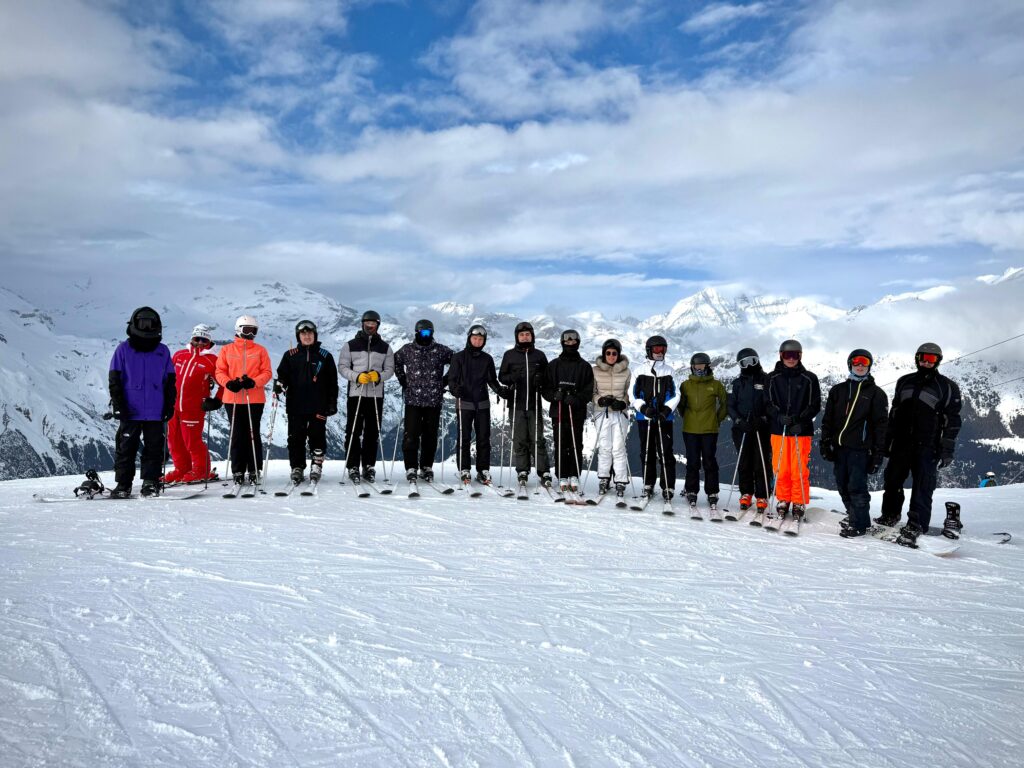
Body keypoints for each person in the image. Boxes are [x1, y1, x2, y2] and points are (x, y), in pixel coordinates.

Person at [878, 342, 962, 544]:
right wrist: (887, 441)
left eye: (931, 359)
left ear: (938, 361)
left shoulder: (947, 387)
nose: (926, 362)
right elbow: (894, 413)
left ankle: (917, 524)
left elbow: (952, 420)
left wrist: (947, 448)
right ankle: (890, 515)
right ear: (916, 359)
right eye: (922, 358)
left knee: (923, 486)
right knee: (892, 481)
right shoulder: (904, 381)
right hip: (901, 442)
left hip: (928, 445)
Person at [108, 307, 176, 498]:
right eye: (142, 323)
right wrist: (118, 405)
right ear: (134, 324)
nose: (146, 327)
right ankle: (123, 485)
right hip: (130, 410)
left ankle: (150, 482)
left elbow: (170, 381)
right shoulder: (123, 349)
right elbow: (115, 380)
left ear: (157, 326)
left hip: (155, 410)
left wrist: (169, 405)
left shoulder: (163, 351)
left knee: (154, 448)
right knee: (126, 448)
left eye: (150, 324)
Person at [819, 349, 888, 538]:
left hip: (861, 450)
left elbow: (881, 426)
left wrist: (877, 454)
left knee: (856, 487)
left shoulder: (876, 394)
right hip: (839, 448)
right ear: (850, 364)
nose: (860, 365)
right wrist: (825, 442)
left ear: (869, 366)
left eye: (864, 362)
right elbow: (828, 420)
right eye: (856, 361)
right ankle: (853, 514)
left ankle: (860, 524)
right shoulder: (838, 390)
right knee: (842, 484)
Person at [275, 319, 339, 485]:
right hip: (295, 404)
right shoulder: (290, 355)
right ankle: (297, 467)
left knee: (317, 437)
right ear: (298, 336)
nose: (307, 336)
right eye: (303, 334)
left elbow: (333, 382)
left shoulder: (325, 356)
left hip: (319, 404)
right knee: (295, 438)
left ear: (315, 335)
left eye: (310, 333)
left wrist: (332, 403)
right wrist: (280, 385)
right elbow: (282, 376)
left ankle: (316, 465)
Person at [765, 339, 821, 523]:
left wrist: (801, 421)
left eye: (795, 355)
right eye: (787, 355)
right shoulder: (772, 378)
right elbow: (767, 402)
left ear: (800, 356)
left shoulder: (809, 378)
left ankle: (798, 501)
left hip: (801, 431)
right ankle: (783, 498)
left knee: (798, 468)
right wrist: (778, 416)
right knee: (780, 468)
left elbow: (814, 405)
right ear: (781, 355)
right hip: (778, 430)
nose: (791, 359)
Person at [337, 310, 395, 483]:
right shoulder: (350, 345)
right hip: (356, 393)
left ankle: (368, 465)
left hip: (376, 395)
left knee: (372, 432)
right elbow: (342, 367)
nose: (370, 326)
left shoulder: (385, 347)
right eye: (367, 323)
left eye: (373, 324)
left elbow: (390, 370)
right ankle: (353, 466)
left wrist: (379, 376)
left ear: (378, 325)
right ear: (362, 324)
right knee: (353, 431)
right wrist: (356, 376)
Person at [215, 315, 273, 486]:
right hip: (232, 398)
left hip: (254, 398)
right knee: (237, 435)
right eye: (247, 330)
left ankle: (254, 468)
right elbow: (219, 371)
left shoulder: (260, 350)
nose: (251, 334)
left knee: (252, 433)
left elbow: (267, 372)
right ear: (238, 329)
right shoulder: (227, 350)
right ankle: (238, 470)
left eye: (254, 331)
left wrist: (254, 382)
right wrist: (228, 383)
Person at [447, 324, 508, 483]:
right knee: (464, 438)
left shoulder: (487, 359)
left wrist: (500, 390)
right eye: (475, 338)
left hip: (482, 403)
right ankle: (464, 469)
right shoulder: (458, 357)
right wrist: (455, 390)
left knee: (483, 438)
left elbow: (491, 380)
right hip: (464, 402)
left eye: (481, 339)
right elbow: (451, 379)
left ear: (484, 341)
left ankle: (483, 470)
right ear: (469, 339)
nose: (478, 341)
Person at [395, 318, 453, 483]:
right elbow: (395, 361)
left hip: (433, 400)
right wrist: (403, 380)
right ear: (417, 332)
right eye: (423, 332)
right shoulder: (407, 350)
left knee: (430, 436)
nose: (426, 335)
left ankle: (426, 467)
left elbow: (457, 362)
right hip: (413, 400)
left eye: (429, 332)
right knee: (411, 435)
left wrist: (445, 381)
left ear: (432, 333)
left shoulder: (441, 350)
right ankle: (411, 467)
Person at [163, 324, 221, 485]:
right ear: (192, 338)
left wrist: (217, 400)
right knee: (174, 441)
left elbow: (223, 383)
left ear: (209, 342)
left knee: (192, 441)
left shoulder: (211, 360)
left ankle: (201, 470)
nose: (200, 343)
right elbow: (168, 377)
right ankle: (182, 468)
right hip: (174, 406)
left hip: (194, 407)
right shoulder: (179, 355)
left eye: (204, 340)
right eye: (197, 339)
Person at [498, 321, 552, 487]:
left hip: (534, 404)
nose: (525, 337)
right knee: (519, 439)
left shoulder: (539, 356)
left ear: (532, 336)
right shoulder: (509, 355)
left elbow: (548, 377)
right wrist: (511, 378)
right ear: (517, 337)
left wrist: (541, 379)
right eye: (521, 335)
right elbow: (501, 377)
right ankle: (522, 470)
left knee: (537, 439)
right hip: (516, 404)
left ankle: (543, 471)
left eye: (527, 334)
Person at [631, 335, 680, 500]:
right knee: (647, 451)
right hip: (644, 418)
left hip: (664, 419)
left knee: (666, 452)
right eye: (657, 349)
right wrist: (643, 408)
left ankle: (668, 486)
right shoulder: (639, 371)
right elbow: (632, 394)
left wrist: (666, 410)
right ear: (649, 350)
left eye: (663, 349)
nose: (660, 352)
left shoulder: (669, 371)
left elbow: (676, 394)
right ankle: (648, 483)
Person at [545, 329, 594, 493]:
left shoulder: (584, 367)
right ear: (562, 342)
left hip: (576, 411)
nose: (570, 343)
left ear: (578, 343)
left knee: (575, 444)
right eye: (567, 340)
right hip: (558, 410)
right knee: (560, 443)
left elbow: (589, 391)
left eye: (573, 341)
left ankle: (574, 474)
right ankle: (562, 475)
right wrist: (554, 395)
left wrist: (577, 398)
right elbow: (545, 388)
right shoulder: (553, 365)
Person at [678, 352, 728, 509]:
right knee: (692, 461)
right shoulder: (686, 385)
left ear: (708, 367)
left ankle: (712, 492)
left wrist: (717, 419)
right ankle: (691, 490)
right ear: (692, 367)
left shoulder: (716, 384)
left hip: (709, 430)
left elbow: (725, 403)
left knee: (709, 461)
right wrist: (687, 417)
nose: (699, 369)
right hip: (690, 430)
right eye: (696, 366)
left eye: (702, 366)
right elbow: (681, 405)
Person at [726, 347, 773, 513]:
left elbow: (771, 404)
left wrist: (763, 419)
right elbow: (730, 405)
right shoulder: (736, 383)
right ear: (740, 365)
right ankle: (746, 492)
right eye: (744, 363)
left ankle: (762, 495)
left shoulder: (767, 380)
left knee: (761, 462)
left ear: (757, 360)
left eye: (752, 361)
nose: (749, 365)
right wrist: (739, 421)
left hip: (761, 428)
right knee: (744, 461)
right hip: (742, 428)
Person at [591, 338, 632, 498]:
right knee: (605, 447)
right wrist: (600, 400)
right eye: (608, 353)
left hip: (619, 413)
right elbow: (592, 392)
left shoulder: (626, 371)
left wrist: (623, 403)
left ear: (618, 354)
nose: (611, 356)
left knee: (618, 448)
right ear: (604, 354)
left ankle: (620, 480)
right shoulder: (595, 371)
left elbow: (627, 394)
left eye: (614, 353)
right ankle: (604, 478)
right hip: (602, 412)